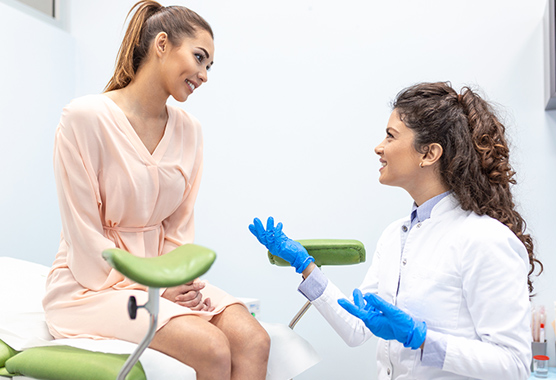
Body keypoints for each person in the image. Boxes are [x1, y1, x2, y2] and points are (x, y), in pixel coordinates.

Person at [250, 81, 542, 379]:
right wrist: (305, 266)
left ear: (429, 153)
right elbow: (357, 328)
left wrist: (424, 340)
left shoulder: (485, 240)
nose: (379, 147)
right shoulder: (396, 236)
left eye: (390, 136)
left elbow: (514, 365)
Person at [42, 1, 270, 379]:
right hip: (91, 285)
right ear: (161, 44)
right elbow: (84, 235)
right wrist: (155, 285)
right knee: (210, 346)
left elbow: (180, 227)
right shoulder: (84, 119)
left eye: (209, 65)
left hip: (164, 279)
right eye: (199, 58)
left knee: (254, 340)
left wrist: (175, 278)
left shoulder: (189, 130)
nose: (204, 75)